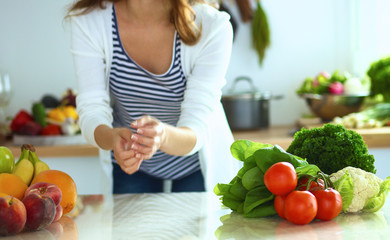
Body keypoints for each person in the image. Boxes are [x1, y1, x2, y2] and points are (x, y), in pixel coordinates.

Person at [66, 0, 240, 193]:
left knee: (196, 223)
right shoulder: (89, 20)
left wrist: (163, 136)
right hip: (130, 163)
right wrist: (113, 137)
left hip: (195, 164)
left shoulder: (212, 26)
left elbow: (196, 126)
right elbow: (92, 110)